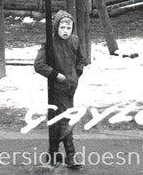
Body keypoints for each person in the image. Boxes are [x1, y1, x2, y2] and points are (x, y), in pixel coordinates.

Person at [33, 9, 86, 169]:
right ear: (56, 27)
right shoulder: (50, 43)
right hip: (57, 88)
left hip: (70, 88)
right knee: (66, 120)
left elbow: (81, 59)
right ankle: (70, 155)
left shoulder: (75, 41)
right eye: (62, 27)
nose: (65, 31)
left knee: (59, 120)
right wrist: (56, 75)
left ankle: (53, 153)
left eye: (68, 28)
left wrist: (77, 73)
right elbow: (39, 65)